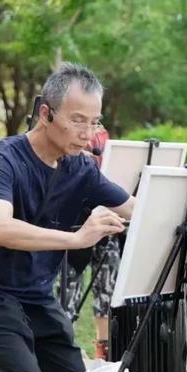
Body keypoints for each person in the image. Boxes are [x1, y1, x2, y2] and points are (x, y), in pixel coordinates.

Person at [0, 63, 135, 372]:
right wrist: (77, 239)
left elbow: (136, 209)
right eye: (77, 120)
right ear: (46, 113)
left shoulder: (81, 169)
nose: (88, 135)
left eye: (94, 123)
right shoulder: (2, 159)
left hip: (37, 295)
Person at [61, 126, 121, 360]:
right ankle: (65, 345)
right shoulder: (67, 129)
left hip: (105, 216)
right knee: (69, 287)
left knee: (107, 285)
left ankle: (103, 349)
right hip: (74, 221)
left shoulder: (104, 134)